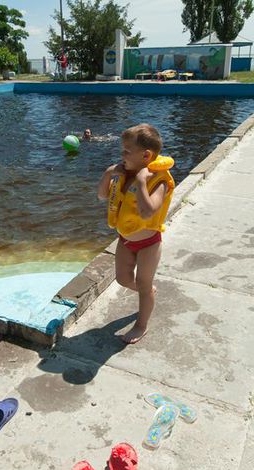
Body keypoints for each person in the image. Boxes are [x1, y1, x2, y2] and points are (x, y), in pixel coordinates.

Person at [97, 124, 174, 344]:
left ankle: (141, 325)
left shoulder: (158, 180)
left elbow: (148, 210)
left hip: (149, 243)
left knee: (142, 283)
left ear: (146, 155)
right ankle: (148, 290)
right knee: (122, 279)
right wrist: (108, 174)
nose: (122, 155)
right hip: (125, 239)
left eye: (126, 151)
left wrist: (141, 181)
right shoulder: (123, 174)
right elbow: (102, 196)